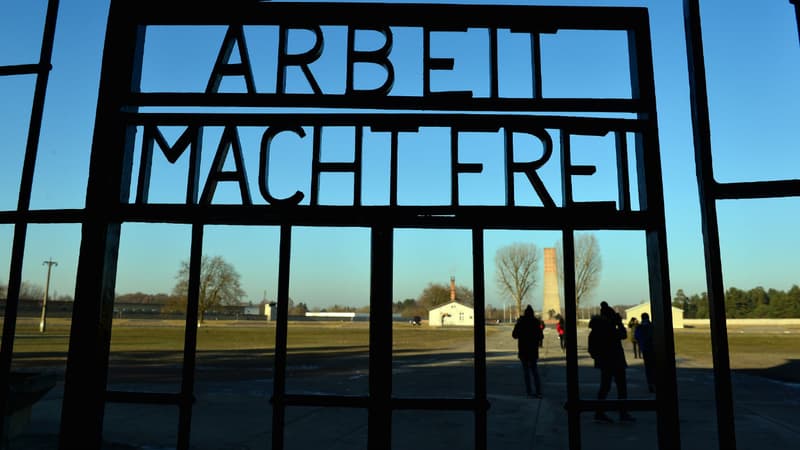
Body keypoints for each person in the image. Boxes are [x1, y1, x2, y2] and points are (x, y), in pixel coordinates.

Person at [588, 301, 635, 423]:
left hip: (605, 362)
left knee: (605, 387)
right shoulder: (608, 329)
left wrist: (598, 358)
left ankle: (600, 412)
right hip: (614, 361)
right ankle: (622, 412)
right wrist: (619, 323)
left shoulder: (596, 329)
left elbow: (591, 348)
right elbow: (623, 335)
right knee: (621, 388)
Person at [512, 305, 544, 398]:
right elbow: (541, 336)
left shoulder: (521, 322)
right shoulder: (535, 322)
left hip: (523, 350)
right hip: (533, 350)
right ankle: (538, 391)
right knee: (535, 371)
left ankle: (529, 392)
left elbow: (514, 335)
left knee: (526, 372)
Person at [634, 312, 656, 393]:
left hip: (645, 349)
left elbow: (636, 336)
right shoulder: (652, 326)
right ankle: (655, 382)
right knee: (654, 367)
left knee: (648, 368)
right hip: (653, 349)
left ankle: (650, 383)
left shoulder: (639, 327)